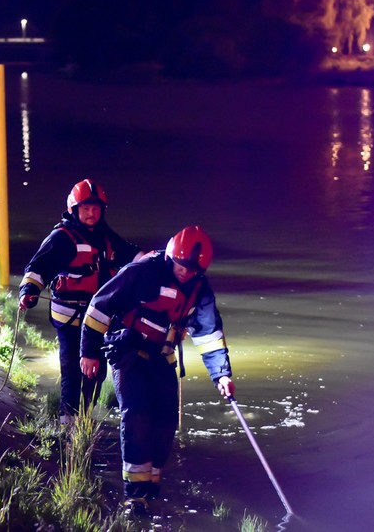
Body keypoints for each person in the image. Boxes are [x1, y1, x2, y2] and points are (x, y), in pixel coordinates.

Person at [79, 225, 235, 518]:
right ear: (171, 256)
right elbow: (99, 307)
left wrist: (222, 375)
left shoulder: (200, 289)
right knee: (136, 414)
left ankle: (151, 486)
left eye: (192, 270)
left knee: (165, 421)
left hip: (162, 358)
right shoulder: (144, 271)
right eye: (182, 266)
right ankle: (135, 497)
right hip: (128, 353)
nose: (185, 273)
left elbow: (210, 334)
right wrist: (88, 353)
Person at [19, 179, 144, 424]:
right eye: (86, 208)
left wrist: (151, 260)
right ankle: (68, 423)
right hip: (70, 318)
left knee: (97, 372)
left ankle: (84, 418)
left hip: (98, 320)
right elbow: (38, 268)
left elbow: (129, 254)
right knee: (73, 370)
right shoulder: (61, 238)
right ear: (74, 209)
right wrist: (28, 291)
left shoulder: (105, 236)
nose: (91, 213)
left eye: (96, 208)